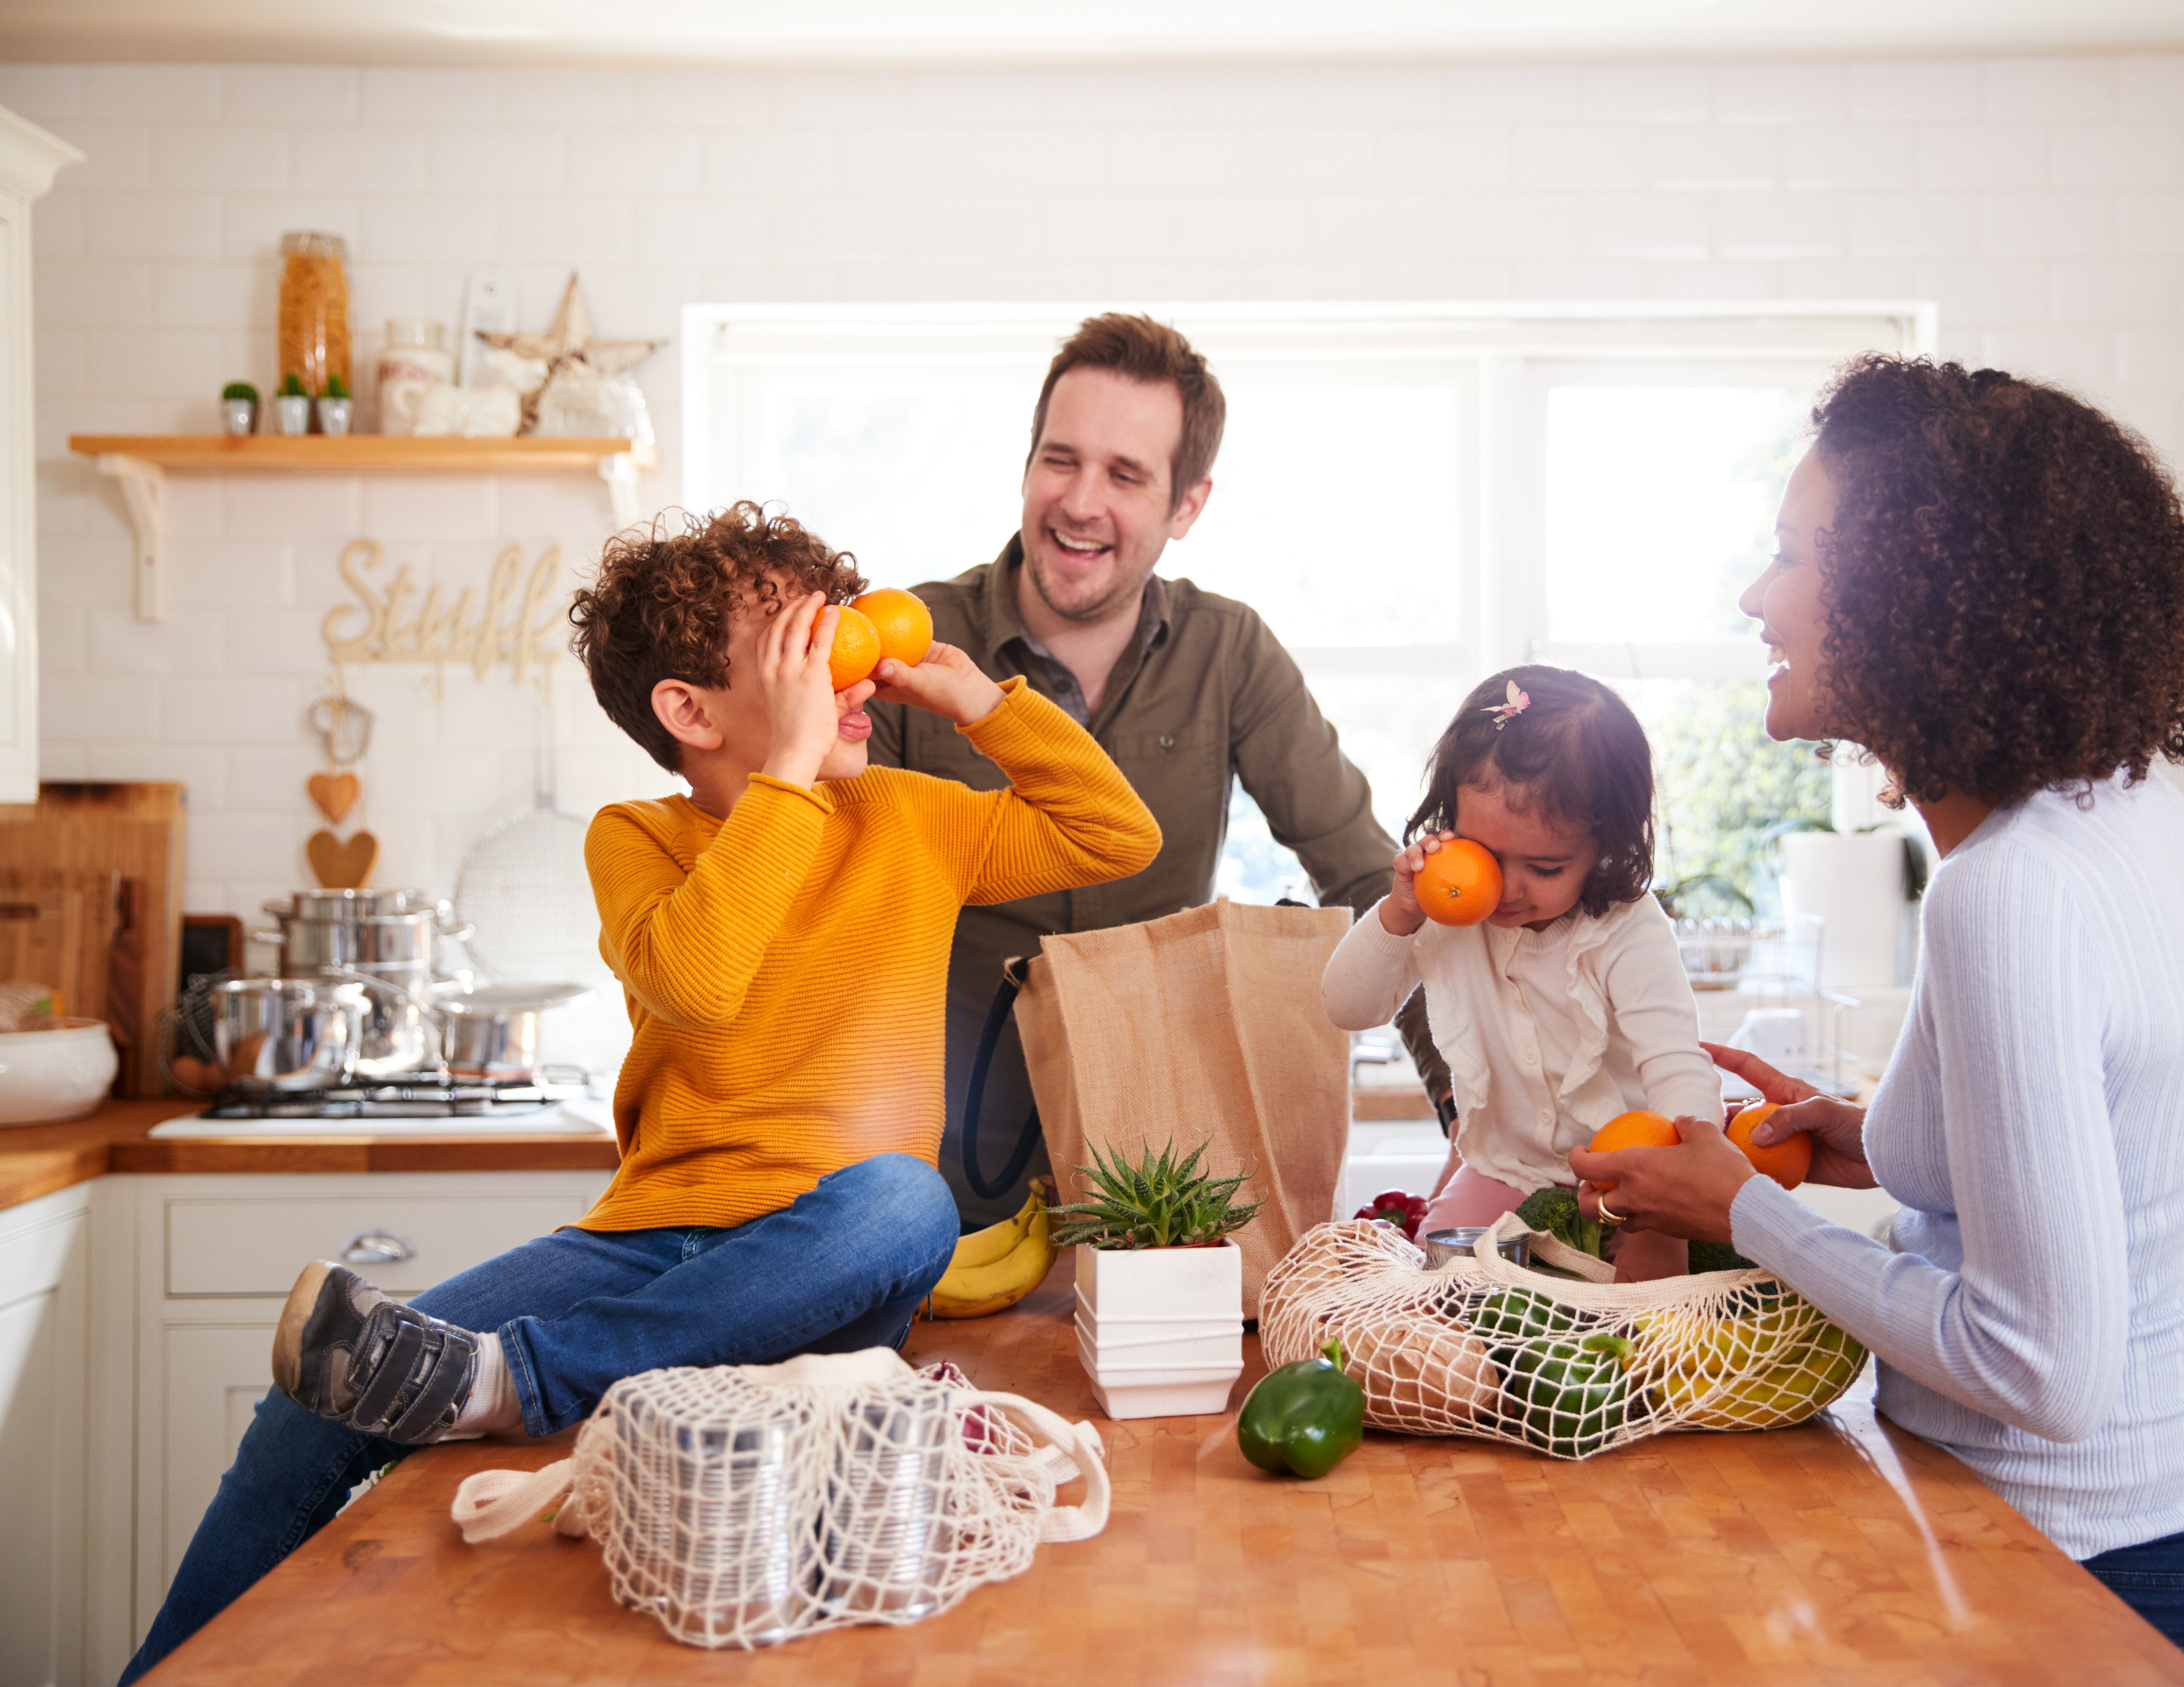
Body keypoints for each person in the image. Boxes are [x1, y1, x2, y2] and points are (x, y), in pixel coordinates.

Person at [122, 504, 1160, 1681]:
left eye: (842, 630)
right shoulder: (638, 838)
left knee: (907, 1204)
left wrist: (981, 701)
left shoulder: (911, 819)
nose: (849, 662)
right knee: (310, 1403)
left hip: (820, 1260)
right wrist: (790, 774)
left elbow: (1116, 834)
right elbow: (699, 981)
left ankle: (525, 1378)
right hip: (647, 1243)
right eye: (801, 646)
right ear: (691, 710)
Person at [1568, 357, 2184, 1686]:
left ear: (1915, 594)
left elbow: (2038, 1373)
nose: (1755, 596)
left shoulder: (2000, 894)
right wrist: (1896, 1141)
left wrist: (1745, 1213)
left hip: (2055, 1582)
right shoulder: (2140, 817)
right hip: (2179, 1543)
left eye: (1794, 554)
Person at [868, 312, 1444, 1225]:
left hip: (1157, 1171)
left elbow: (1376, 882)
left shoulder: (1231, 652)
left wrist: (1468, 1115)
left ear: (1187, 506)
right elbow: (827, 909)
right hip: (929, 1166)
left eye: (1126, 474)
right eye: (1061, 460)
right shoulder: (911, 644)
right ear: (1027, 467)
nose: (1081, 501)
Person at [1320, 665, 1722, 1282]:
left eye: (1545, 865)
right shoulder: (1443, 905)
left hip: (1633, 1175)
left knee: (1643, 1313)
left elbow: (1677, 1071)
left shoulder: (1628, 929)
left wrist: (1670, 1214)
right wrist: (1398, 911)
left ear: (1605, 845)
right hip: (1506, 1168)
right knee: (1439, 1291)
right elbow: (1349, 1008)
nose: (1506, 889)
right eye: (1486, 853)